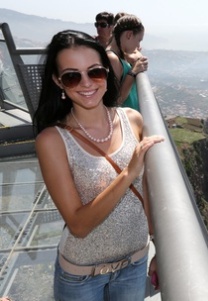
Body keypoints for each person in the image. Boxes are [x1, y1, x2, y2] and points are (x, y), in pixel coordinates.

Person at [33, 29, 164, 300]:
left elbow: (146, 198)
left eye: (94, 72)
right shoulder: (53, 140)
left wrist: (160, 248)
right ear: (58, 82)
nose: (86, 83)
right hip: (81, 277)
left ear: (106, 71)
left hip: (135, 264)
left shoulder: (133, 120)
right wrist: (128, 173)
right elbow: (79, 224)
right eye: (72, 76)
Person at [106, 14, 148, 111]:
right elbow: (116, 101)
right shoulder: (111, 58)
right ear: (129, 35)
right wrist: (133, 72)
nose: (138, 45)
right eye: (138, 40)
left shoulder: (119, 55)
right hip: (125, 120)